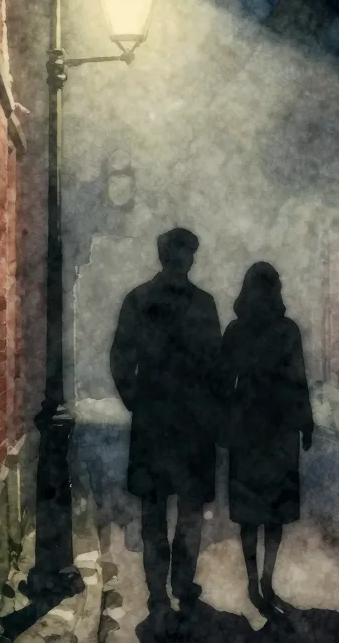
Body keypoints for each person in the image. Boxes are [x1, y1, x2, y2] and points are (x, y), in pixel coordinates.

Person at [109, 228, 223, 617]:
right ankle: (170, 585)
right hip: (179, 423)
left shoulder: (142, 300)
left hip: (167, 422)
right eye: (180, 253)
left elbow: (122, 358)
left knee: (163, 511)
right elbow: (216, 366)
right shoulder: (196, 303)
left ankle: (166, 587)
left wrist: (138, 401)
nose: (183, 260)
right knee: (171, 511)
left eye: (185, 254)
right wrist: (139, 401)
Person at [219, 262, 314, 618]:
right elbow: (297, 380)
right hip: (277, 427)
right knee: (271, 513)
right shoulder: (285, 330)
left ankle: (256, 581)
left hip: (252, 428)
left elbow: (224, 381)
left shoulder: (237, 330)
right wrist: (305, 423)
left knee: (255, 514)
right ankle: (264, 580)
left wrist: (224, 424)